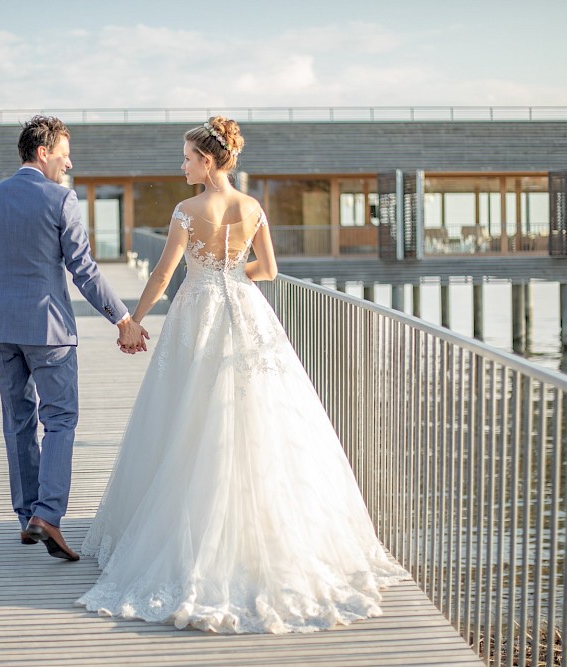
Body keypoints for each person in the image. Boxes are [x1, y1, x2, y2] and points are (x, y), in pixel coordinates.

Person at [77, 116, 408, 633]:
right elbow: (269, 270)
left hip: (199, 312)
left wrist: (134, 322)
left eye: (186, 157)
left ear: (206, 161)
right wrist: (229, 274)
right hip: (246, 309)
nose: (181, 164)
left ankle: (196, 538)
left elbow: (164, 274)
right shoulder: (252, 208)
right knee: (256, 415)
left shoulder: (187, 210)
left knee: (188, 414)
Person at [0, 115, 148, 562]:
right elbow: (82, 269)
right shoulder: (61, 200)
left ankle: (27, 515)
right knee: (60, 419)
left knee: (18, 421)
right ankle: (47, 514)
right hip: (49, 332)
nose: (69, 162)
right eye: (64, 153)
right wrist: (122, 319)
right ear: (42, 152)